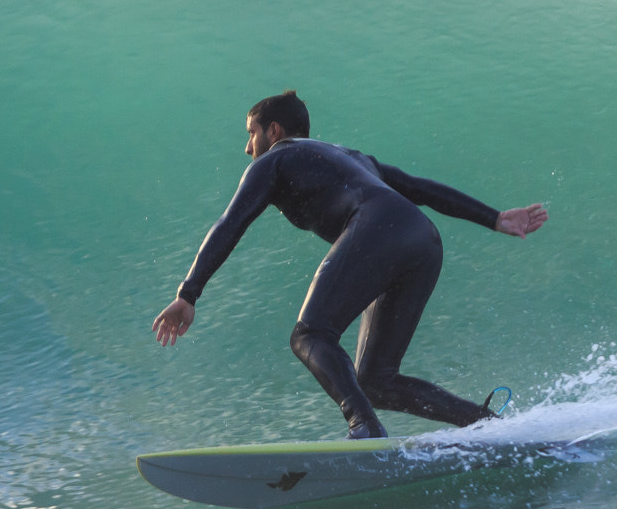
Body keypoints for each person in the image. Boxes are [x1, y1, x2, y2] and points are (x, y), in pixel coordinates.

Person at [152, 91, 547, 439]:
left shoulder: (274, 160)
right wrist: (493, 218)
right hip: (422, 239)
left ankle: (365, 426)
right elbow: (420, 189)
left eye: (250, 134)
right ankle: (484, 423)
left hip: (378, 227)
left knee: (310, 337)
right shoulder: (352, 157)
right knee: (375, 382)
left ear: (273, 131)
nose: (247, 147)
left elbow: (230, 223)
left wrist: (188, 294)